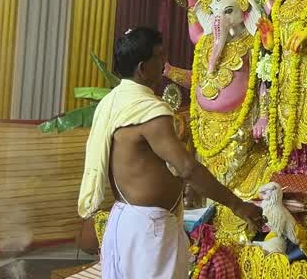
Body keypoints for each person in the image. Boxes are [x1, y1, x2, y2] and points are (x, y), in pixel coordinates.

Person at [77, 27, 263, 278]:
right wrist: (238, 206)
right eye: (159, 56)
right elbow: (187, 168)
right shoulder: (148, 110)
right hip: (148, 229)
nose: (164, 62)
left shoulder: (113, 102)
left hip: (126, 219)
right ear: (143, 68)